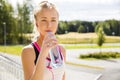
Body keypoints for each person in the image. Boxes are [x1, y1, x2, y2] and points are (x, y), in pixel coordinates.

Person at [21, 1, 66, 80]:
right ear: (36, 23)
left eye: (53, 20)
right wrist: (43, 52)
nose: (49, 25)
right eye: (44, 20)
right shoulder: (28, 51)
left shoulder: (62, 50)